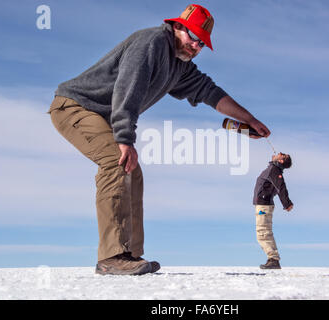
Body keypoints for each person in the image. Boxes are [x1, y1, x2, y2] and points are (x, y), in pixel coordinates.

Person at [49, 4, 271, 275]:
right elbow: (126, 89)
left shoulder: (180, 66)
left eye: (202, 44)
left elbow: (210, 92)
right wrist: (125, 138)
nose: (196, 47)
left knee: (133, 171)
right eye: (193, 38)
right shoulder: (151, 43)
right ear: (177, 27)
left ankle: (129, 255)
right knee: (116, 162)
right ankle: (111, 256)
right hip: (76, 106)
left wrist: (250, 119)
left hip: (102, 115)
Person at [253, 152, 293, 269]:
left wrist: (287, 203)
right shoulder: (273, 169)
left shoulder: (275, 170)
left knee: (263, 232)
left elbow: (281, 187)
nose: (279, 153)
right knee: (263, 232)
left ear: (281, 161)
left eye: (283, 155)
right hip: (263, 204)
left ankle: (273, 259)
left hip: (264, 205)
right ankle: (273, 259)